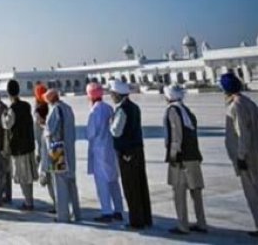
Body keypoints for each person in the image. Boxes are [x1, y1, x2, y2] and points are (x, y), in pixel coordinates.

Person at [162, 85, 207, 235]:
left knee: (179, 192)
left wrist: (174, 155)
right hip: (193, 155)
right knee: (196, 191)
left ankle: (183, 225)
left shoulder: (172, 110)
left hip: (181, 158)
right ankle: (201, 223)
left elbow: (176, 135)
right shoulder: (187, 110)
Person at [109, 78, 152, 230]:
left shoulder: (122, 109)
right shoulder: (134, 107)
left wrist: (110, 122)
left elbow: (116, 131)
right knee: (141, 184)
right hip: (138, 149)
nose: (111, 96)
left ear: (118, 94)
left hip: (127, 152)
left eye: (112, 93)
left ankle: (136, 221)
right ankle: (146, 217)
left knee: (131, 186)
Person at [221, 72, 258, 238]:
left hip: (248, 157)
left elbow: (243, 133)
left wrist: (241, 157)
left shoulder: (235, 106)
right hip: (254, 152)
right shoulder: (248, 102)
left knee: (252, 193)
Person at [85, 82, 124, 223]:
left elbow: (90, 133)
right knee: (113, 180)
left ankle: (106, 211)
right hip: (110, 149)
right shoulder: (109, 108)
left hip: (99, 150)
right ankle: (118, 210)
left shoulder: (94, 111)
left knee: (102, 183)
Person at [44, 89, 81, 223]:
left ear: (50, 99)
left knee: (60, 184)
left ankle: (63, 216)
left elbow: (51, 130)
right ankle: (76, 213)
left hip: (57, 150)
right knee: (71, 182)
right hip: (69, 148)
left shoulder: (55, 110)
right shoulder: (68, 108)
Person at [4, 80, 38, 210]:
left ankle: (28, 202)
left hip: (19, 147)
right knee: (28, 176)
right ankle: (30, 200)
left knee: (23, 176)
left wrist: (4, 115)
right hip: (29, 144)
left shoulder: (12, 109)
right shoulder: (27, 105)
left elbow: (7, 124)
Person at [34, 83, 56, 212]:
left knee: (49, 179)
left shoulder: (38, 112)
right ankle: (60, 204)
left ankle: (57, 204)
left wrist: (38, 154)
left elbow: (39, 136)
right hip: (56, 148)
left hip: (46, 150)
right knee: (57, 178)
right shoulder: (52, 107)